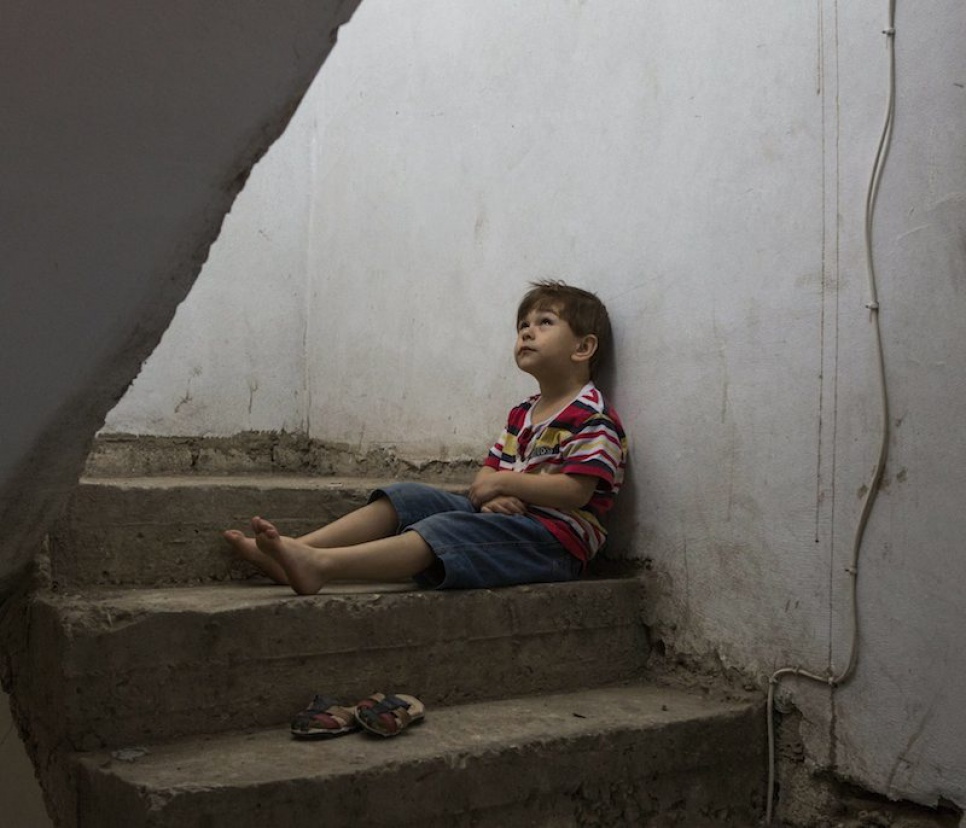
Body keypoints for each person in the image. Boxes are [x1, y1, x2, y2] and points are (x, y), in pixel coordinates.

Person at [224, 280, 627, 594]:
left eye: (544, 323)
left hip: (554, 545)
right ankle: (296, 550)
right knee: (410, 497)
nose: (526, 332)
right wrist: (490, 494)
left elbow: (576, 492)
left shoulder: (591, 416)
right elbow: (482, 482)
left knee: (449, 528)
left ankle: (322, 566)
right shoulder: (523, 412)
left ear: (583, 347)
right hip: (509, 521)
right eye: (523, 325)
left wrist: (502, 484)